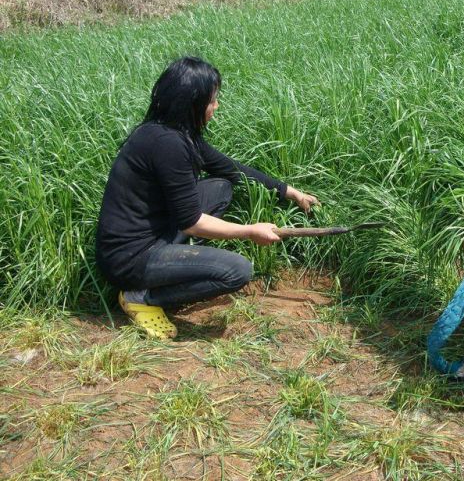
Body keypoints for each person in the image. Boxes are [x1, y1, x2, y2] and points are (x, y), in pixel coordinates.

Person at [95, 56, 319, 340]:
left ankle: (180, 264)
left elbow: (231, 169)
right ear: (192, 104)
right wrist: (250, 231)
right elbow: (191, 222)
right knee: (237, 270)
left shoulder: (174, 132)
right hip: (130, 257)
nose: (217, 106)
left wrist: (291, 192)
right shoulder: (168, 145)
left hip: (153, 230)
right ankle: (143, 295)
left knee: (221, 187)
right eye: (212, 100)